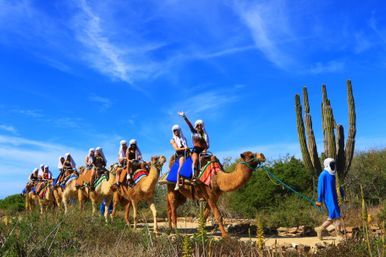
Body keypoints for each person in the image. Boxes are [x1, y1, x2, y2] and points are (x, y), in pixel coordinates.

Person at [315, 158, 344, 240]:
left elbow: (338, 186)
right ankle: (338, 234)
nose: (334, 165)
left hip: (336, 197)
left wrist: (342, 195)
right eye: (332, 164)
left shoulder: (334, 175)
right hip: (329, 198)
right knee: (336, 215)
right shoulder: (323, 174)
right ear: (327, 164)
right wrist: (319, 200)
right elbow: (320, 188)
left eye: (334, 164)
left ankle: (320, 229)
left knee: (334, 216)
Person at [178, 112, 209, 179]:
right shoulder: (194, 132)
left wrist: (205, 151)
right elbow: (189, 125)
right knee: (195, 161)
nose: (199, 126)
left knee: (203, 160)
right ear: (196, 126)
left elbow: (207, 145)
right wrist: (184, 116)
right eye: (198, 125)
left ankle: (203, 174)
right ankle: (194, 177)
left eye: (200, 125)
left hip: (203, 150)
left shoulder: (205, 135)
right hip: (195, 150)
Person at [170, 124, 189, 190]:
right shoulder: (172, 140)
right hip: (180, 154)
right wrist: (185, 148)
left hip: (187, 153)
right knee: (181, 166)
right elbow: (176, 149)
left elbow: (186, 146)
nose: (176, 132)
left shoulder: (183, 139)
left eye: (177, 130)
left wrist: (187, 149)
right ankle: (177, 183)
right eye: (174, 131)